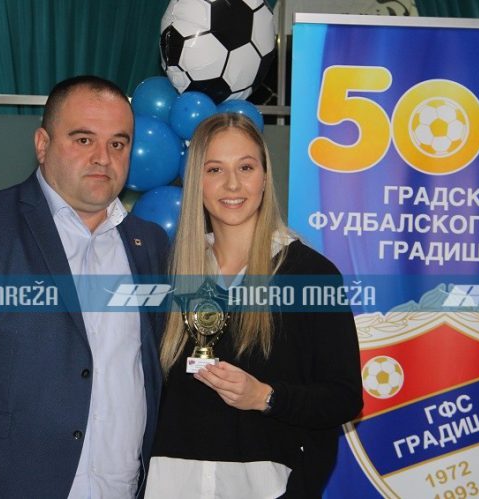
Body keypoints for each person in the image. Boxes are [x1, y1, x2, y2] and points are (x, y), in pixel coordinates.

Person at [0, 75, 169, 498]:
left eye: (118, 143)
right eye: (83, 140)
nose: (103, 157)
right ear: (42, 144)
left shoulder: (148, 244)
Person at [145, 114, 363, 498]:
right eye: (215, 169)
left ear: (264, 177)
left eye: (245, 167)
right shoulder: (169, 272)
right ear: (197, 181)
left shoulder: (309, 274)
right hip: (169, 487)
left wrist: (264, 396)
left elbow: (344, 398)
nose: (232, 184)